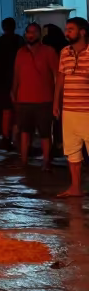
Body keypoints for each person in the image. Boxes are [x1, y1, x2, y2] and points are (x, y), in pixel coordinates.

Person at [11, 22, 58, 171]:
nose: (30, 35)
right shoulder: (20, 53)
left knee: (45, 133)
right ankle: (23, 160)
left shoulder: (49, 52)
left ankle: (46, 161)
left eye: (33, 32)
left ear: (39, 34)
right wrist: (14, 91)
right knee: (25, 131)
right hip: (24, 99)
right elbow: (17, 75)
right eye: (28, 32)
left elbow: (57, 75)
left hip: (44, 99)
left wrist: (58, 97)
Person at [54, 16, 89, 198]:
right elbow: (61, 78)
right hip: (69, 110)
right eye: (66, 29)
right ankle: (75, 187)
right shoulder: (64, 52)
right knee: (72, 152)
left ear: (82, 31)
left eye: (71, 29)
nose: (67, 33)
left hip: (87, 112)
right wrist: (56, 103)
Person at [0, 18, 24, 150]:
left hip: (1, 80)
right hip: (17, 79)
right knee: (17, 109)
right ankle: (16, 135)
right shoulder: (19, 41)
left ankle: (6, 136)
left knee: (6, 109)